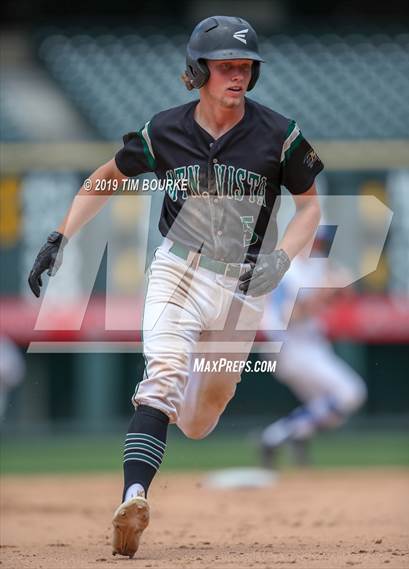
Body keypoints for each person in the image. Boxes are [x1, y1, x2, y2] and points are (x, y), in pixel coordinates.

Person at [28, 16, 323, 558]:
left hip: (244, 285)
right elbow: (106, 176)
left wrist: (282, 260)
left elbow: (311, 209)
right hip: (178, 270)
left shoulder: (280, 134)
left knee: (203, 415)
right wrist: (60, 234)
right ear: (198, 71)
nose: (237, 75)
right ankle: (133, 497)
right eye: (225, 66)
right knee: (161, 380)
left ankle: (183, 414)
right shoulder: (164, 130)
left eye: (245, 67)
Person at [260, 228, 367, 468]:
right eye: (315, 239)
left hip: (312, 345)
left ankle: (291, 437)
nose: (318, 245)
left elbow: (346, 285)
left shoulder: (316, 267)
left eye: (322, 240)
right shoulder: (285, 271)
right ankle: (277, 436)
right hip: (290, 347)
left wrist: (333, 289)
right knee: (351, 392)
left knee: (326, 409)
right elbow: (283, 318)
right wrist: (316, 300)